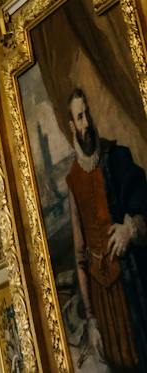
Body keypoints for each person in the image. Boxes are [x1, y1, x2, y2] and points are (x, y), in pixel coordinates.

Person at [63, 88, 147, 371]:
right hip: (103, 300)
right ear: (72, 126)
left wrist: (130, 229)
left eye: (87, 114)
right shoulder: (73, 179)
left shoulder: (118, 157)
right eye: (80, 118)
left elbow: (144, 208)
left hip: (132, 284)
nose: (86, 123)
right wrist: (91, 319)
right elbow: (79, 254)